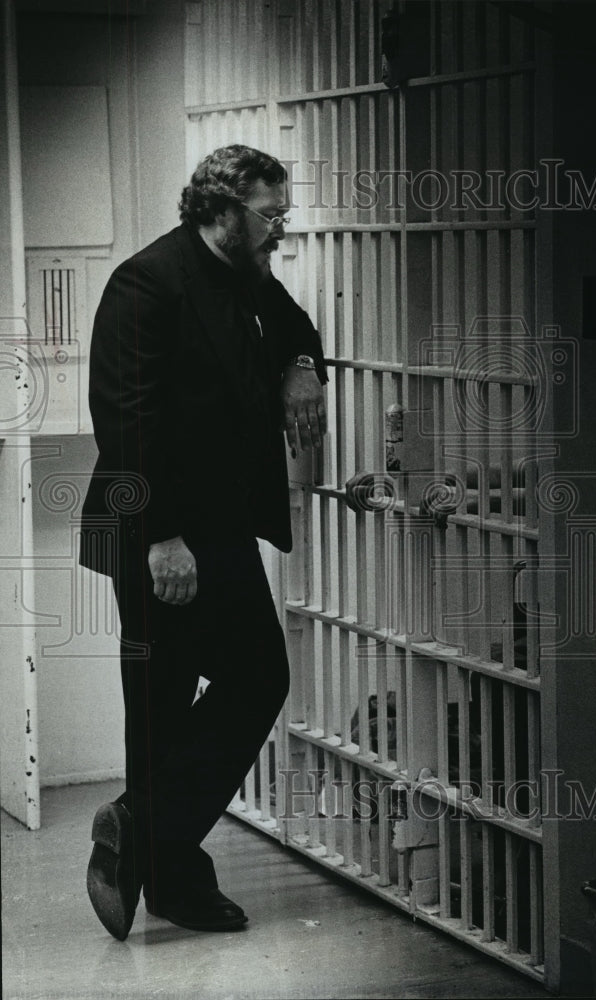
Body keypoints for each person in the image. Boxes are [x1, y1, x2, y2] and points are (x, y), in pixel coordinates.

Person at [79, 144, 327, 940]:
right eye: (270, 215)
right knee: (165, 703)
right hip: (161, 531)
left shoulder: (246, 275)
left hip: (219, 528)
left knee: (256, 677)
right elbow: (125, 420)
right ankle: (172, 875)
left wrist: (300, 365)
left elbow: (295, 326)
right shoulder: (148, 282)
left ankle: (141, 828)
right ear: (222, 209)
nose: (280, 228)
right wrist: (162, 538)